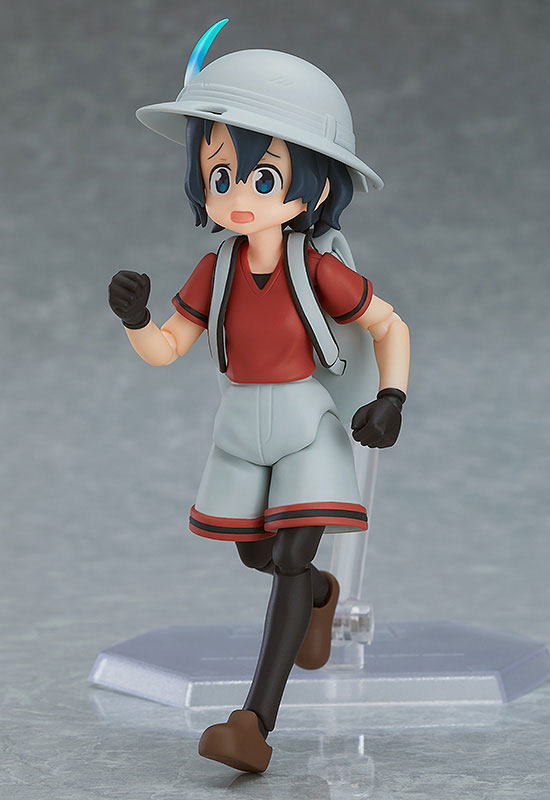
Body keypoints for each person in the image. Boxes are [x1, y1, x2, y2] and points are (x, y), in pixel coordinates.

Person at [108, 25, 409, 773]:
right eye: (220, 175)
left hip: (305, 423)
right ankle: (319, 597)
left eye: (263, 178)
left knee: (290, 556)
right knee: (259, 553)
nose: (237, 195)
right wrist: (136, 319)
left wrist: (392, 395)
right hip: (239, 425)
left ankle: (253, 724)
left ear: (317, 186)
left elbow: (388, 324)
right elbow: (168, 347)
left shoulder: (318, 267)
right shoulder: (216, 268)